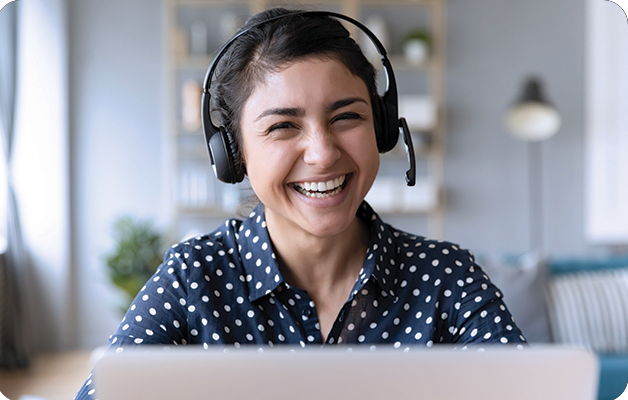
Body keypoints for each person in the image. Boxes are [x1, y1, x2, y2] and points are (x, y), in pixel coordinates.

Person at [74, 8, 525, 400]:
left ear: (382, 129)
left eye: (347, 116)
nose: (323, 152)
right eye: (283, 126)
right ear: (234, 154)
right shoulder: (193, 278)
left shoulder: (446, 277)